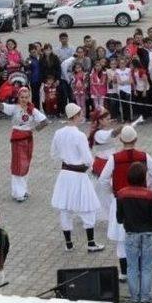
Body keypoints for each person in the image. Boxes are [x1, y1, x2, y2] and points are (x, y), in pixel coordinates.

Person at [99, 125, 152, 282]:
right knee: (140, 235)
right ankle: (139, 269)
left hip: (121, 200)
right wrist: (149, 191)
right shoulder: (144, 156)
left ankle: (124, 271)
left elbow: (103, 180)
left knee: (121, 239)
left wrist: (113, 192)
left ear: (120, 140)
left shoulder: (114, 158)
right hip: (142, 201)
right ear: (136, 139)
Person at [50, 103, 104, 252]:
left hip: (65, 175)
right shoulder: (79, 135)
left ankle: (69, 244)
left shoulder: (58, 133)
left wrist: (65, 158)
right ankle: (91, 243)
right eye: (80, 114)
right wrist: (92, 168)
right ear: (74, 116)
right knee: (87, 207)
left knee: (65, 209)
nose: (81, 117)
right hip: (79, 175)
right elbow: (88, 158)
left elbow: (53, 154)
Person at [116, 162, 152, 303]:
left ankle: (134, 297)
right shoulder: (151, 196)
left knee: (132, 267)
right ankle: (145, 297)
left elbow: (119, 218)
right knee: (146, 267)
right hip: (147, 233)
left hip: (130, 234)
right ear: (144, 177)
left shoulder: (121, 194)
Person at [0, 87, 48, 202]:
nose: (24, 99)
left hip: (28, 139)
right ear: (18, 97)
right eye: (22, 97)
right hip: (17, 139)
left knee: (25, 164)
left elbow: (45, 121)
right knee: (18, 164)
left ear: (29, 97)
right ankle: (18, 193)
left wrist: (34, 130)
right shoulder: (14, 108)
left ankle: (22, 190)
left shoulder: (32, 110)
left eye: (26, 97)